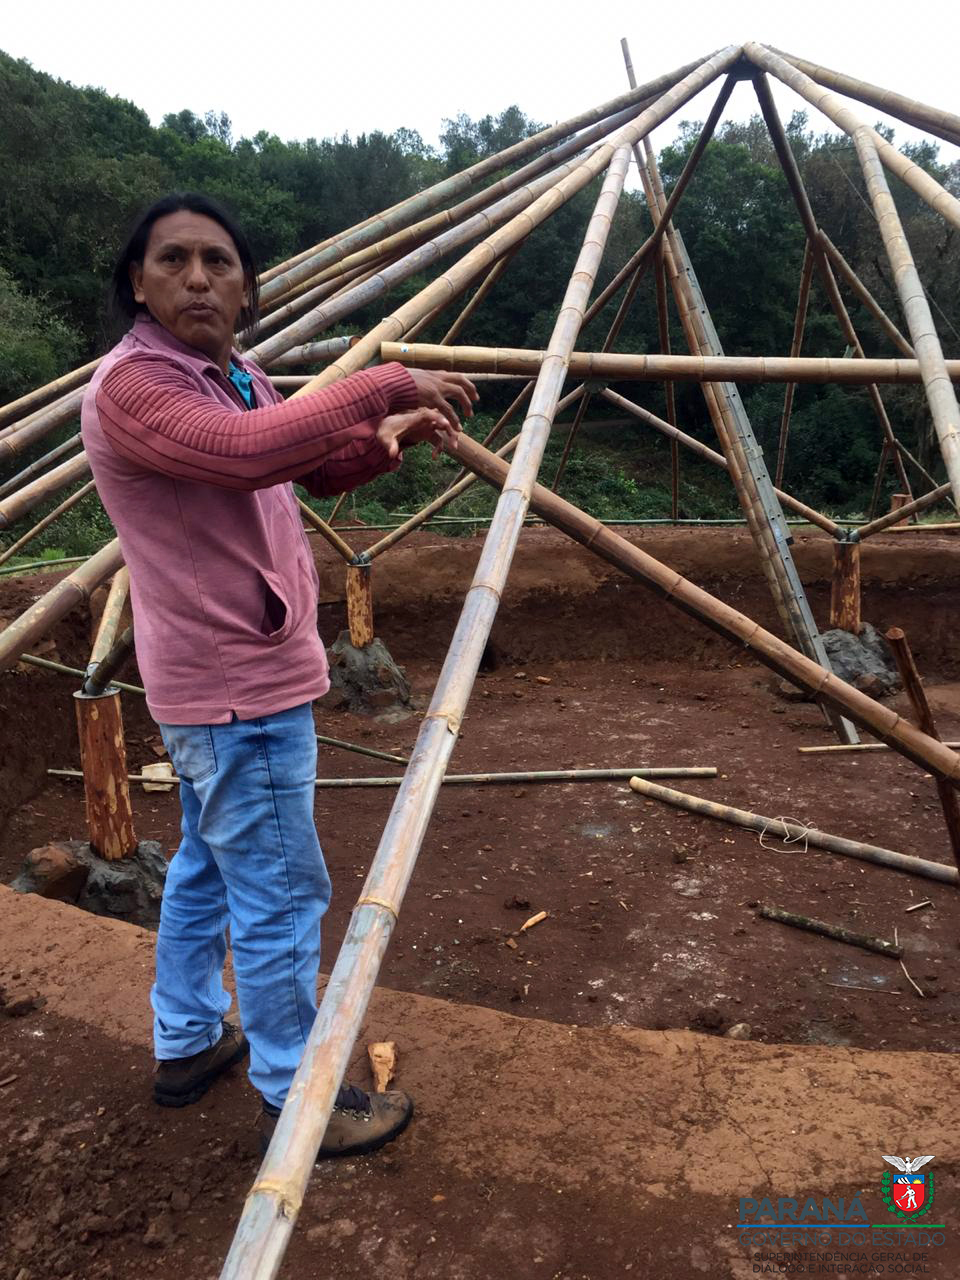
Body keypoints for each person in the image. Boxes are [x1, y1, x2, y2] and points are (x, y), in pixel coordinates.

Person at [81, 192, 478, 1158]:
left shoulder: (232, 376)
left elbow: (304, 462)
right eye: (172, 260)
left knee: (211, 869)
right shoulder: (136, 386)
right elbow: (247, 454)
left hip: (233, 672)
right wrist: (382, 378)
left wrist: (390, 438)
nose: (198, 278)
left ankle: (184, 1041)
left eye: (218, 262)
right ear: (136, 282)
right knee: (281, 890)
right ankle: (293, 1092)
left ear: (247, 287)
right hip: (235, 684)